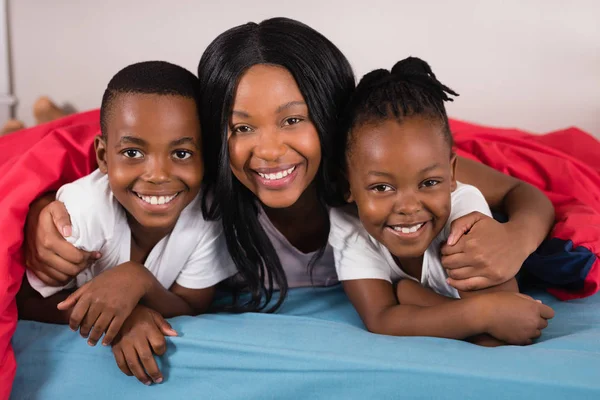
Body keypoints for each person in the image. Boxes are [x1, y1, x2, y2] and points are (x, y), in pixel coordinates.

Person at [23, 17, 555, 381]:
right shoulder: (199, 191)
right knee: (51, 138)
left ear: (327, 113)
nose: (269, 150)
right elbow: (111, 182)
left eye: (294, 119)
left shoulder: (383, 171)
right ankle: (49, 112)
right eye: (240, 127)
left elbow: (520, 191)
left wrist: (518, 238)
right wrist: (39, 215)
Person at [17, 61, 237, 374]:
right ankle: (34, 125)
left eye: (182, 153)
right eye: (133, 152)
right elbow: (24, 302)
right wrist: (119, 318)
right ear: (104, 157)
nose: (158, 175)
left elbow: (193, 305)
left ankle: (49, 116)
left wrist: (140, 281)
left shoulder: (208, 216)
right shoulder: (81, 211)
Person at [329, 56, 554, 346]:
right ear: (348, 186)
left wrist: (414, 301)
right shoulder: (349, 224)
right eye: (382, 187)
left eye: (429, 183)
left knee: (410, 292)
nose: (409, 207)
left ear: (451, 175)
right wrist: (481, 314)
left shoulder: (464, 214)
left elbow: (499, 337)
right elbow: (381, 318)